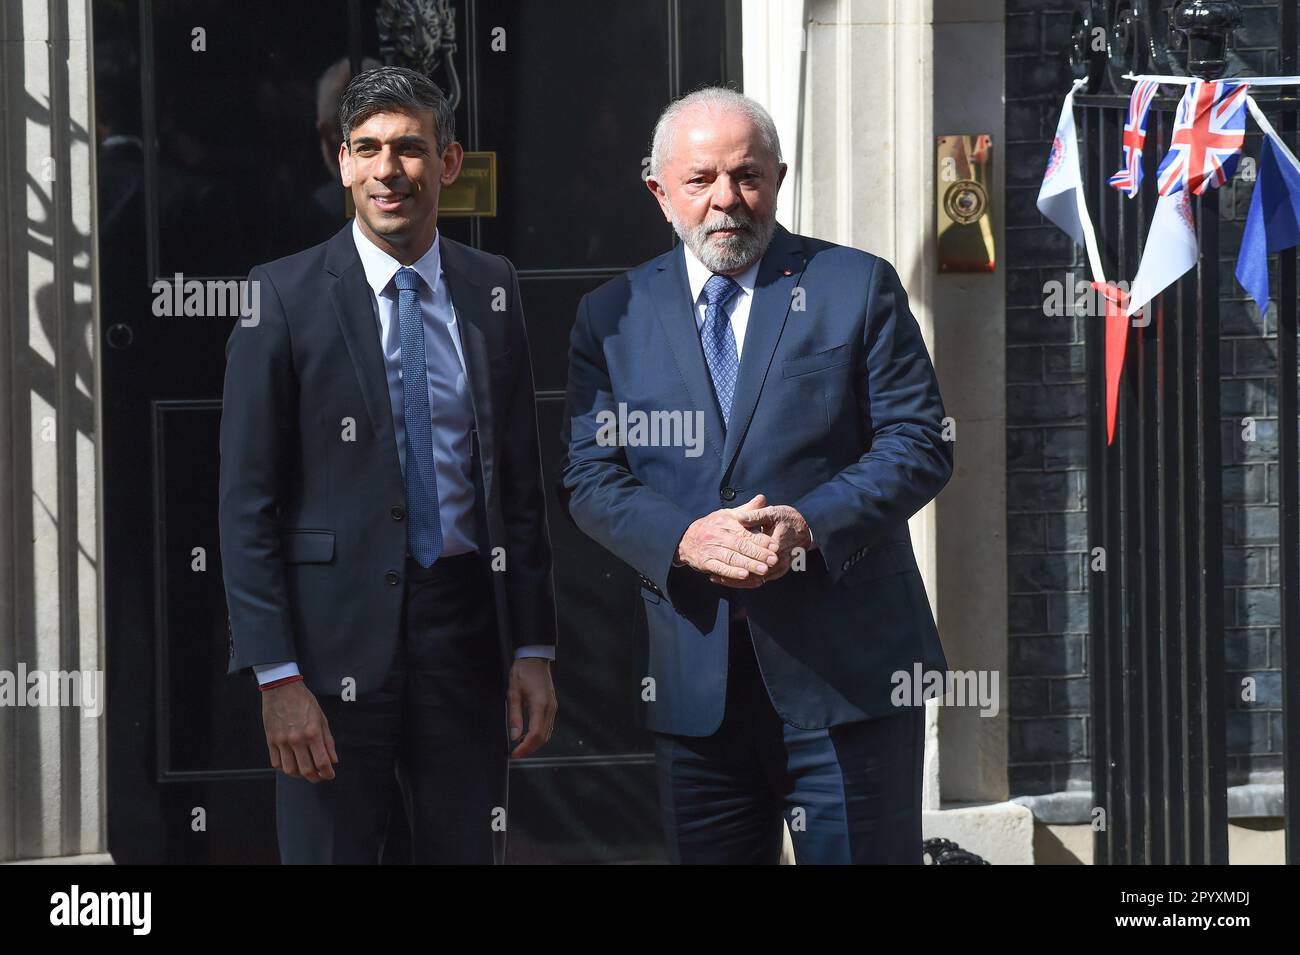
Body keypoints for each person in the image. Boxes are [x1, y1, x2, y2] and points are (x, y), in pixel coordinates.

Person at [560, 87, 952, 864]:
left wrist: (809, 524)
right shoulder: (612, 315)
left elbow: (919, 442)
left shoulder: (854, 286)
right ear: (659, 190)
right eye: (700, 179)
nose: (726, 201)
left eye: (747, 176)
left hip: (847, 679)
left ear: (779, 176)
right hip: (696, 685)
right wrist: (685, 536)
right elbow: (591, 475)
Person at [219, 66, 557, 864]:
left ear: (448, 163)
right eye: (366, 148)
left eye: (408, 148)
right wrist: (277, 676)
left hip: (465, 640)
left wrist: (533, 648)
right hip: (327, 654)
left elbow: (518, 486)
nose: (386, 169)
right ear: (341, 163)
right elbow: (245, 505)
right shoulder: (281, 296)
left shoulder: (492, 289)